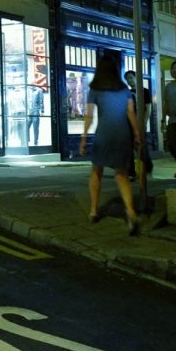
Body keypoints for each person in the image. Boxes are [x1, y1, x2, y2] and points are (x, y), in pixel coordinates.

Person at [78, 53, 142, 235]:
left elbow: (89, 116)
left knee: (96, 171)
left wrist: (83, 138)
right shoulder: (124, 90)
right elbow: (131, 113)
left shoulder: (95, 89)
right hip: (123, 135)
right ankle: (130, 211)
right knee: (121, 175)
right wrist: (136, 134)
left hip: (104, 134)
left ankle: (93, 210)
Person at [123, 69, 153, 180]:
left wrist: (144, 122)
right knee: (128, 147)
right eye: (127, 79)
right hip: (128, 123)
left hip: (139, 122)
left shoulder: (144, 91)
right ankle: (131, 172)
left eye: (131, 78)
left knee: (140, 146)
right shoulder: (127, 93)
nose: (129, 80)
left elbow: (148, 107)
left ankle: (148, 167)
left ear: (136, 78)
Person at [163, 59, 176, 179]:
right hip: (173, 120)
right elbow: (166, 104)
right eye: (173, 68)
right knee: (171, 145)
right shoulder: (168, 86)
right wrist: (162, 120)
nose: (174, 70)